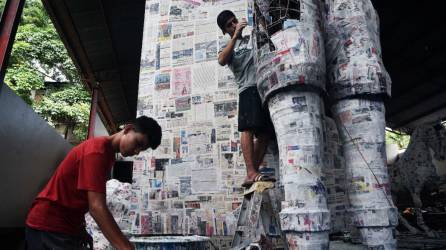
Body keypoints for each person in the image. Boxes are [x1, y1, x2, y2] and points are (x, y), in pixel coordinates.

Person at [25, 116, 162, 250]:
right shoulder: (96, 151)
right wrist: (126, 247)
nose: (137, 152)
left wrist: (80, 230)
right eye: (138, 143)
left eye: (141, 149)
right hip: (49, 225)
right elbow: (96, 207)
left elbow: (80, 197)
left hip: (66, 227)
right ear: (127, 129)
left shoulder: (108, 155)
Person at [217, 10, 275, 188]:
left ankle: (252, 173)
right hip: (247, 89)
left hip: (263, 89)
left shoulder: (252, 36)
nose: (234, 25)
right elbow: (221, 60)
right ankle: (251, 171)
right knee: (247, 129)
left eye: (235, 21)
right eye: (229, 25)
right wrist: (234, 37)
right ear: (225, 30)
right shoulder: (228, 45)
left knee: (265, 135)